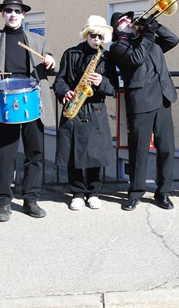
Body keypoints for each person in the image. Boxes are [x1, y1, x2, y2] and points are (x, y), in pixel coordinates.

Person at [0, 0, 56, 222]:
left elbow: (51, 64)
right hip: (5, 101)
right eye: (8, 10)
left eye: (17, 11)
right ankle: (3, 202)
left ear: (24, 14)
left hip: (33, 101)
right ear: (3, 14)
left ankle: (31, 200)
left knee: (34, 153)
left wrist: (51, 61)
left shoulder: (37, 41)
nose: (13, 14)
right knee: (5, 154)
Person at [108, 11, 178, 211]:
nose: (128, 21)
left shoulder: (148, 41)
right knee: (139, 150)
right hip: (141, 102)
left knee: (166, 149)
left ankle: (163, 192)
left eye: (129, 18)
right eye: (122, 21)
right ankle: (135, 193)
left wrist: (155, 24)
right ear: (117, 29)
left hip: (163, 99)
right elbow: (137, 58)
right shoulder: (118, 47)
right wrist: (148, 33)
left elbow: (173, 40)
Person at [53, 15, 119, 211]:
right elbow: (59, 81)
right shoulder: (70, 53)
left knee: (95, 154)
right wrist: (65, 92)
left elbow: (114, 88)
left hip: (95, 109)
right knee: (72, 154)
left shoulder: (106, 58)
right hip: (74, 108)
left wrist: (101, 82)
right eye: (92, 36)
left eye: (100, 37)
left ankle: (93, 193)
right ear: (86, 34)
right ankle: (77, 193)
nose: (96, 40)